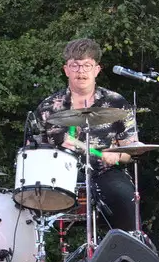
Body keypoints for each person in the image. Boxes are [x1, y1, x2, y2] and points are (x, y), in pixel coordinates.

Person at [26, 38, 139, 233]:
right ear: (66, 70)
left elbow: (131, 147)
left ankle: (127, 253)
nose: (81, 72)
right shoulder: (48, 107)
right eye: (75, 66)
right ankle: (37, 258)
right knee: (29, 202)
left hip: (105, 172)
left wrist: (119, 155)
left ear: (97, 69)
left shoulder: (116, 102)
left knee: (123, 195)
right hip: (60, 175)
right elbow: (33, 152)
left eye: (87, 65)